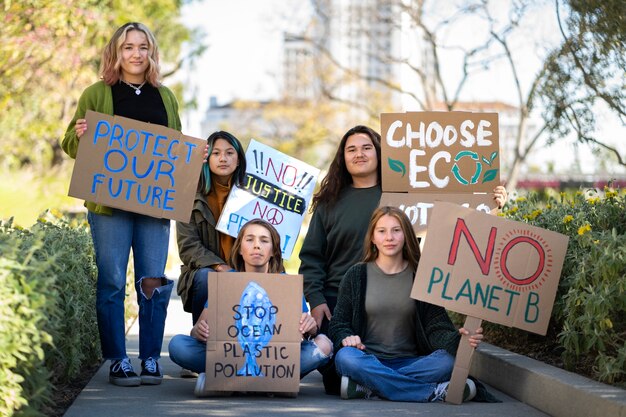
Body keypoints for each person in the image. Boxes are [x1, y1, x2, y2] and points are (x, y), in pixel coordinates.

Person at [299, 125, 508, 393]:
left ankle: (371, 386)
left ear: (379, 154)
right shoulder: (329, 201)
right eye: (351, 149)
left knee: (441, 362)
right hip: (338, 300)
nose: (359, 154)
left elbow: (455, 217)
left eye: (366, 148)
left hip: (399, 290)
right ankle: (423, 391)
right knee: (335, 375)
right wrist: (316, 299)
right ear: (343, 157)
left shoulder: (405, 198)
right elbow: (311, 257)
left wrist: (491, 204)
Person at [61, 22, 181, 387]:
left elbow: (176, 150)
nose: (136, 54)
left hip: (154, 206)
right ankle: (116, 359)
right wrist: (80, 137)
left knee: (152, 282)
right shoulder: (97, 93)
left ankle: (148, 358)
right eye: (128, 47)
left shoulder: (166, 96)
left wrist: (196, 155)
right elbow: (69, 142)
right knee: (112, 281)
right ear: (116, 52)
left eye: (143, 47)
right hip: (109, 208)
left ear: (151, 52)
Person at [329, 206, 483, 402]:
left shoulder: (421, 276)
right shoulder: (356, 275)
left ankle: (370, 386)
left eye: (396, 230)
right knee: (346, 358)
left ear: (406, 235)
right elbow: (338, 323)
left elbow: (436, 326)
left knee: (448, 361)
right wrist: (345, 337)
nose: (389, 237)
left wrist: (459, 340)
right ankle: (433, 392)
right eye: (382, 231)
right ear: (373, 238)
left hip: (413, 362)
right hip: (368, 359)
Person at [168, 219, 333, 395]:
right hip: (230, 359)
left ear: (273, 251)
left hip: (274, 362)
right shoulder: (226, 282)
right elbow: (195, 332)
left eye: (264, 240)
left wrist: (311, 327)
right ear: (239, 249)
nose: (256, 246)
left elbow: (309, 331)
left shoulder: (286, 284)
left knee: (324, 345)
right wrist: (199, 331)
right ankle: (272, 385)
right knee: (178, 345)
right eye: (249, 240)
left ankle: (227, 384)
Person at [176, 131, 246, 325]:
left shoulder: (253, 196)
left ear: (239, 160)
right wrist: (221, 267)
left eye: (230, 153)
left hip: (245, 269)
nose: (223, 158)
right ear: (206, 158)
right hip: (208, 271)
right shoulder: (189, 195)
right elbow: (188, 246)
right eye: (216, 153)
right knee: (208, 277)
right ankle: (203, 337)